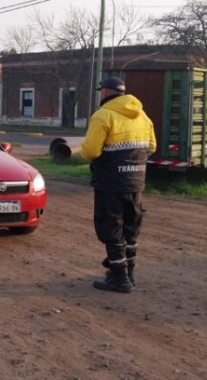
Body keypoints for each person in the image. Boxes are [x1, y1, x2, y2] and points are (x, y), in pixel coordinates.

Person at [79, 77, 156, 293]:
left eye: (100, 91)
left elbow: (91, 151)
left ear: (105, 92)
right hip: (136, 181)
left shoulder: (103, 115)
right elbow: (152, 146)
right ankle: (129, 273)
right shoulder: (142, 115)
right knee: (131, 227)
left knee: (111, 226)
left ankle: (119, 279)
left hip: (110, 181)